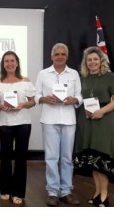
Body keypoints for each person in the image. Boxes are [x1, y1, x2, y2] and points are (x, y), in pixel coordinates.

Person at [73, 46, 114, 207]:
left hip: (104, 120)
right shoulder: (83, 78)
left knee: (102, 158)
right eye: (89, 60)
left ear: (101, 60)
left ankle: (104, 194)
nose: (92, 62)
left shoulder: (110, 76)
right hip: (87, 120)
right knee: (93, 160)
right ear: (85, 63)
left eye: (95, 59)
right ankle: (97, 192)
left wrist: (102, 111)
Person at [34, 43, 82, 207]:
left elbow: (79, 95)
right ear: (51, 56)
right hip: (49, 119)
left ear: (67, 57)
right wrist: (44, 99)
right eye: (57, 54)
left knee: (67, 157)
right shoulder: (43, 74)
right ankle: (53, 192)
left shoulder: (74, 74)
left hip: (69, 119)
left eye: (63, 54)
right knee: (51, 157)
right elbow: (36, 95)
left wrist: (75, 100)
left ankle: (66, 191)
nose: (60, 57)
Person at [0, 51, 35, 205]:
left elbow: (32, 102)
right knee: (5, 157)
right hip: (5, 122)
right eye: (6, 61)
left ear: (17, 63)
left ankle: (18, 192)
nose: (10, 64)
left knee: (20, 158)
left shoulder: (26, 81)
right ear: (3, 64)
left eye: (12, 61)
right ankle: (5, 189)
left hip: (23, 122)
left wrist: (23, 104)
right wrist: (1, 106)